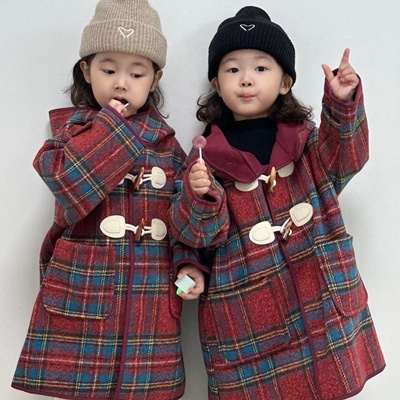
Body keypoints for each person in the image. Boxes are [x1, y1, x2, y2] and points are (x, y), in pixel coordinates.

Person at [169, 6, 385, 400]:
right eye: (232, 69)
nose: (246, 78)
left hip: (322, 299)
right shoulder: (203, 158)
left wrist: (342, 104)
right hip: (248, 318)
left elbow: (347, 159)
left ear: (285, 82)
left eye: (261, 68)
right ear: (217, 84)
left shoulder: (307, 142)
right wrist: (200, 196)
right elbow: (194, 236)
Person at [12, 1, 204, 399]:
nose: (121, 83)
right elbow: (68, 183)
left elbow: (183, 220)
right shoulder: (70, 134)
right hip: (84, 296)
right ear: (86, 71)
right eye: (108, 69)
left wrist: (189, 263)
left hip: (151, 304)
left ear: (155, 78)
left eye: (136, 73)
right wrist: (111, 126)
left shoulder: (169, 148)